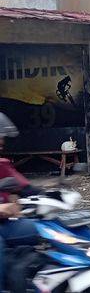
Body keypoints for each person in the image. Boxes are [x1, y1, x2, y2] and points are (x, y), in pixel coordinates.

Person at [0, 112, 38, 291]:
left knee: (42, 229)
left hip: (6, 222)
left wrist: (50, 195)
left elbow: (23, 186)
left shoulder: (2, 163)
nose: (2, 141)